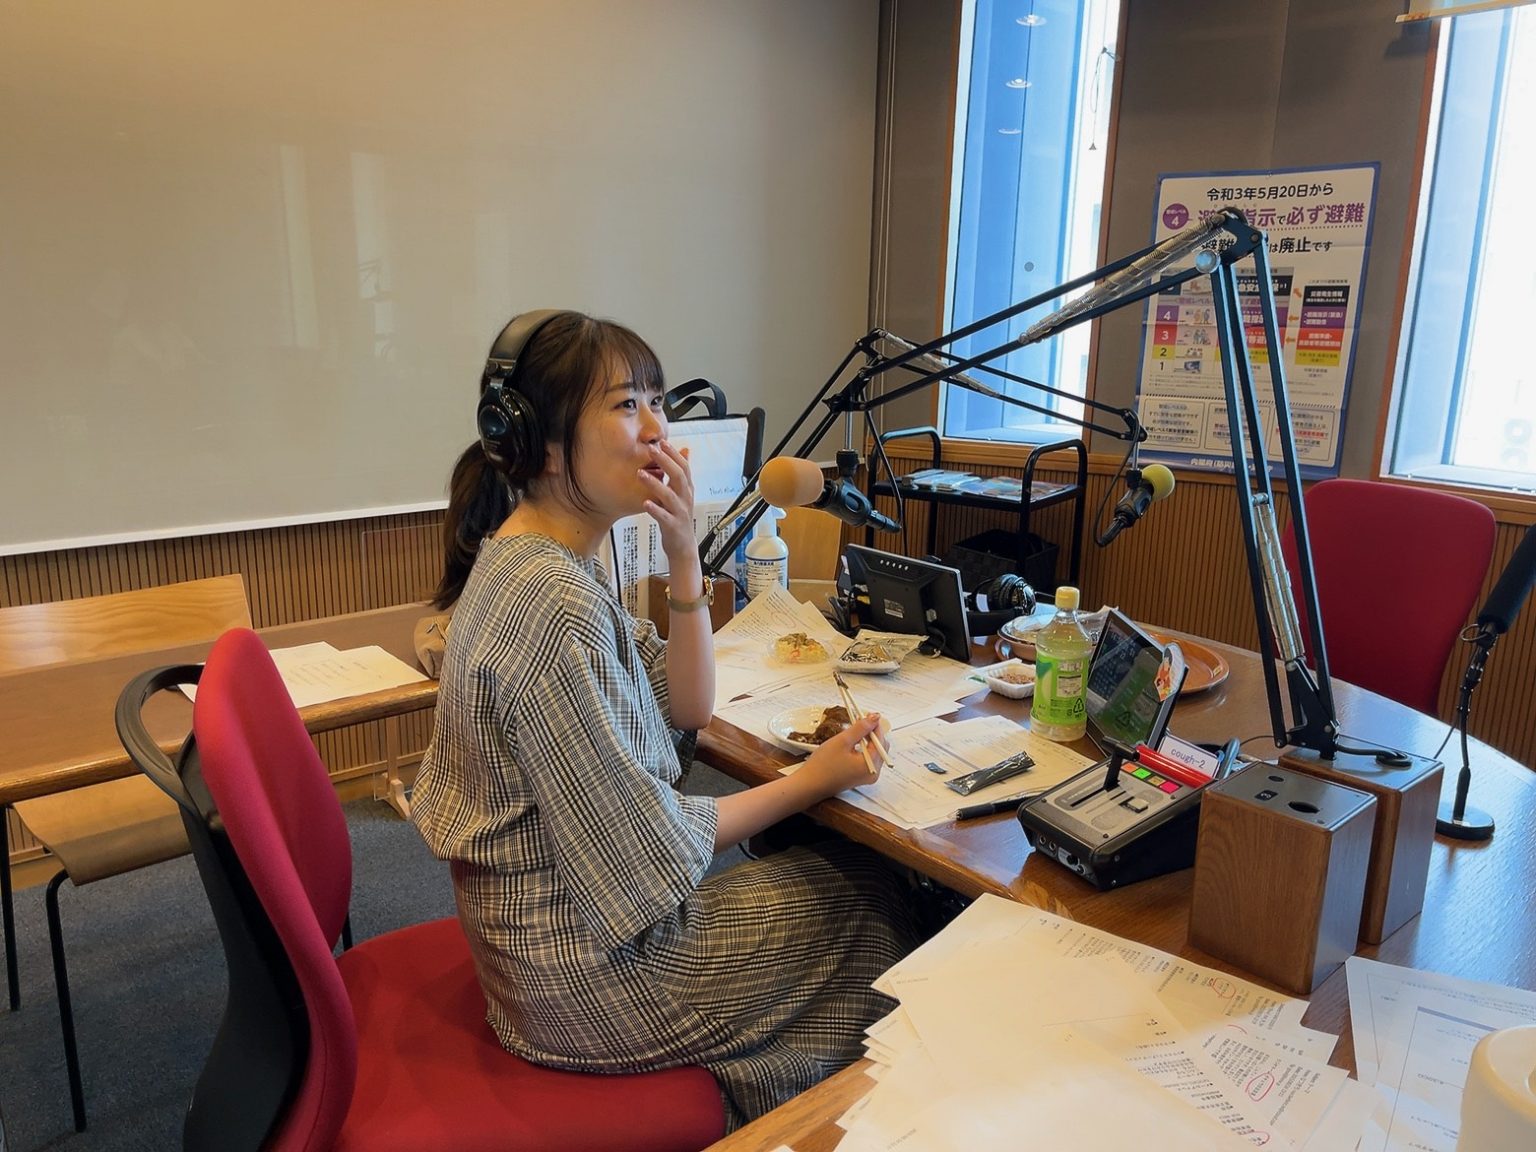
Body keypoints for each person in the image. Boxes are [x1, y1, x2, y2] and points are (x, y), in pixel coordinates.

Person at [412, 310, 919, 1128]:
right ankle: (813, 1119)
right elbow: (644, 845)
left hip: (548, 953)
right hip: (585, 982)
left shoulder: (546, 558)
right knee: (876, 893)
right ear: (543, 443)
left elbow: (687, 706)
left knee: (828, 868)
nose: (658, 429)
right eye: (626, 405)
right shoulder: (549, 600)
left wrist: (685, 552)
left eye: (657, 400)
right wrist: (812, 780)